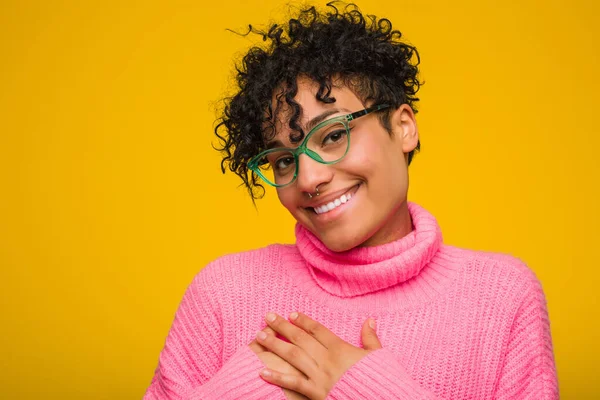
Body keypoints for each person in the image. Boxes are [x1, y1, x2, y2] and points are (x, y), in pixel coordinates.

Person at [144, 3, 558, 399]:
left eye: (333, 135)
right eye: (284, 160)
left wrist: (369, 390)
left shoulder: (502, 297)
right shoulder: (222, 292)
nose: (308, 178)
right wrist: (253, 385)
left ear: (403, 129)